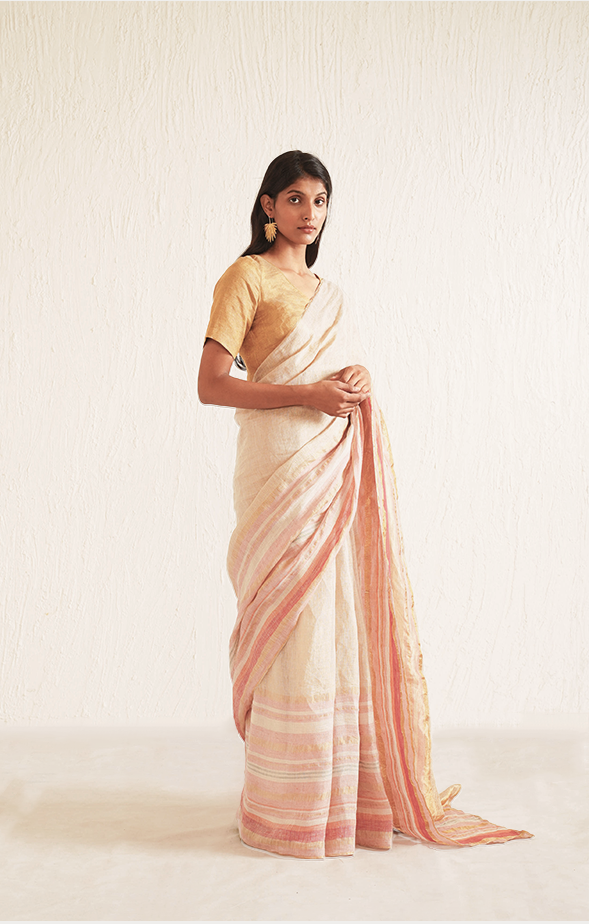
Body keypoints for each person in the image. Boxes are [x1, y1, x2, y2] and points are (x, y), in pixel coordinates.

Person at [198, 150, 532, 859]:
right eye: (294, 198)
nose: (309, 213)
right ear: (267, 206)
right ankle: (287, 804)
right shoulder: (245, 277)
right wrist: (309, 393)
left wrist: (352, 381)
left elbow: (330, 376)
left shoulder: (329, 292)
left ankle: (340, 795)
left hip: (331, 462)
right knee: (293, 618)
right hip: (279, 466)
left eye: (319, 200)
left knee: (334, 619)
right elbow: (211, 384)